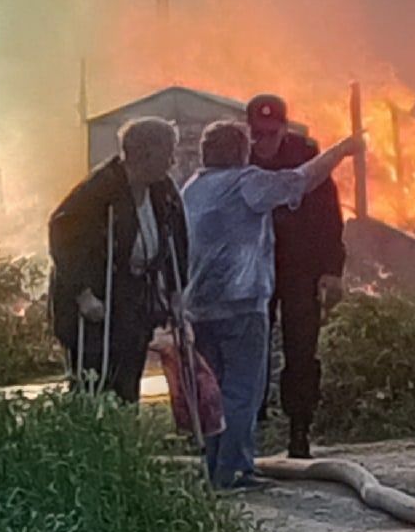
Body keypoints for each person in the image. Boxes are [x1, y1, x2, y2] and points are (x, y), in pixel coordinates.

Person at [181, 119, 363, 490]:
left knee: (212, 391)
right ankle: (234, 470)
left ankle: (215, 468)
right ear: (240, 151)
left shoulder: (193, 188)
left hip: (199, 307)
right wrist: (341, 152)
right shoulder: (246, 183)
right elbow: (299, 180)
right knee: (241, 389)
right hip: (241, 303)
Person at [48, 119, 189, 401]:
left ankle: (125, 436)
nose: (173, 161)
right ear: (143, 153)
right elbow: (63, 232)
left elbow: (179, 240)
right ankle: (92, 439)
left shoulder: (163, 190)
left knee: (128, 380)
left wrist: (176, 290)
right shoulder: (101, 189)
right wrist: (83, 294)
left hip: (134, 298)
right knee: (94, 381)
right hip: (96, 300)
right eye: (168, 152)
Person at [245, 94, 348, 460]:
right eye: (257, 133)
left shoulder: (306, 158)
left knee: (301, 348)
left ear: (284, 129)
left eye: (271, 133)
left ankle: (300, 431)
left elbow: (328, 218)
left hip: (300, 267)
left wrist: (332, 270)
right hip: (255, 268)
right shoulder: (240, 158)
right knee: (249, 349)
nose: (264, 142)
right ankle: (247, 433)